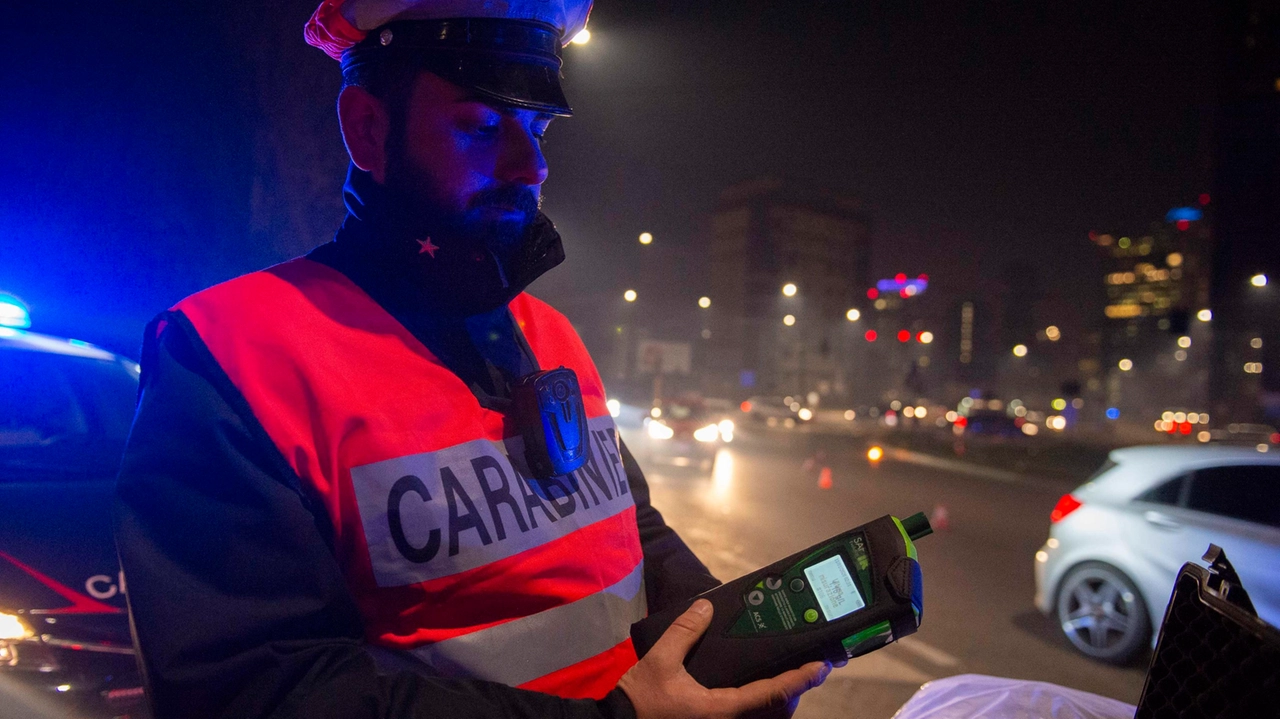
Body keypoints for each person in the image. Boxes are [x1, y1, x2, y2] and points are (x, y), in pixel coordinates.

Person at [112, 1, 831, 718]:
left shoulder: (550, 333)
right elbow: (255, 690)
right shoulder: (225, 355)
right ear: (367, 127)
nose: (533, 165)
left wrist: (735, 646)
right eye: (482, 126)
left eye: (539, 128)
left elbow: (629, 530)